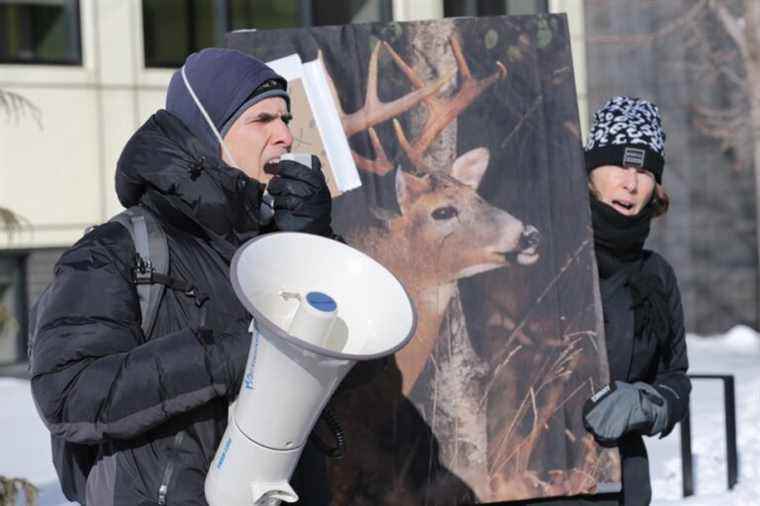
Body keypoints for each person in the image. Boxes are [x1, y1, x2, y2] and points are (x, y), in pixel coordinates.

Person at [29, 48, 335, 505]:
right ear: (208, 132)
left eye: (286, 119)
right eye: (263, 120)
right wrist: (228, 358)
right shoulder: (116, 249)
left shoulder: (277, 237)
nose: (286, 137)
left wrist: (312, 244)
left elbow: (353, 357)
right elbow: (68, 391)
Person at [512, 96, 691, 506]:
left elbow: (676, 378)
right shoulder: (542, 253)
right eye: (619, 165)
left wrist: (647, 402)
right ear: (590, 172)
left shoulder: (656, 275)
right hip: (528, 483)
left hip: (618, 484)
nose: (630, 183)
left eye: (644, 170)